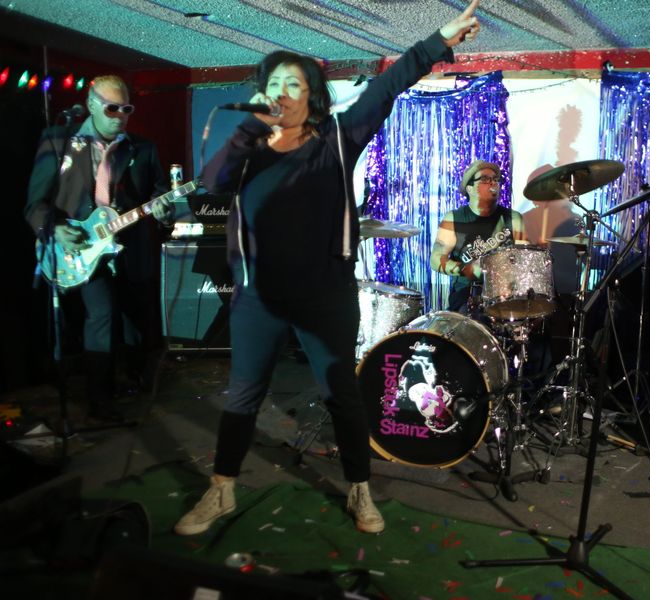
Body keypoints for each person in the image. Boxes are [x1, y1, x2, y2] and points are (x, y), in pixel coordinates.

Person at [173, 1, 483, 537]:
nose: (282, 91)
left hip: (324, 297)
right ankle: (221, 488)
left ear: (312, 95)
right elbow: (213, 181)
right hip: (258, 298)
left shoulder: (337, 140)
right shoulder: (248, 150)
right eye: (274, 83)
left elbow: (385, 89)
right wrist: (250, 126)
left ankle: (359, 488)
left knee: (342, 393)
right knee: (243, 395)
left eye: (293, 84)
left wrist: (439, 40)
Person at [24, 75, 171, 420]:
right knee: (102, 315)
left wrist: (164, 209)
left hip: (127, 247)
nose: (120, 116)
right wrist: (56, 229)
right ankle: (100, 400)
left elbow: (160, 192)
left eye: (126, 109)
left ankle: (136, 383)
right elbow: (34, 204)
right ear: (91, 104)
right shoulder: (59, 141)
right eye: (111, 108)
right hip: (82, 247)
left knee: (136, 320)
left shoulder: (142, 148)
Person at [430, 159, 526, 312]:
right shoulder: (454, 218)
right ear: (470, 189)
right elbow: (436, 260)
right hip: (467, 295)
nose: (493, 183)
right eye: (485, 179)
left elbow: (524, 261)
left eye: (495, 179)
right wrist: (465, 269)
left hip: (505, 294)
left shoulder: (514, 219)